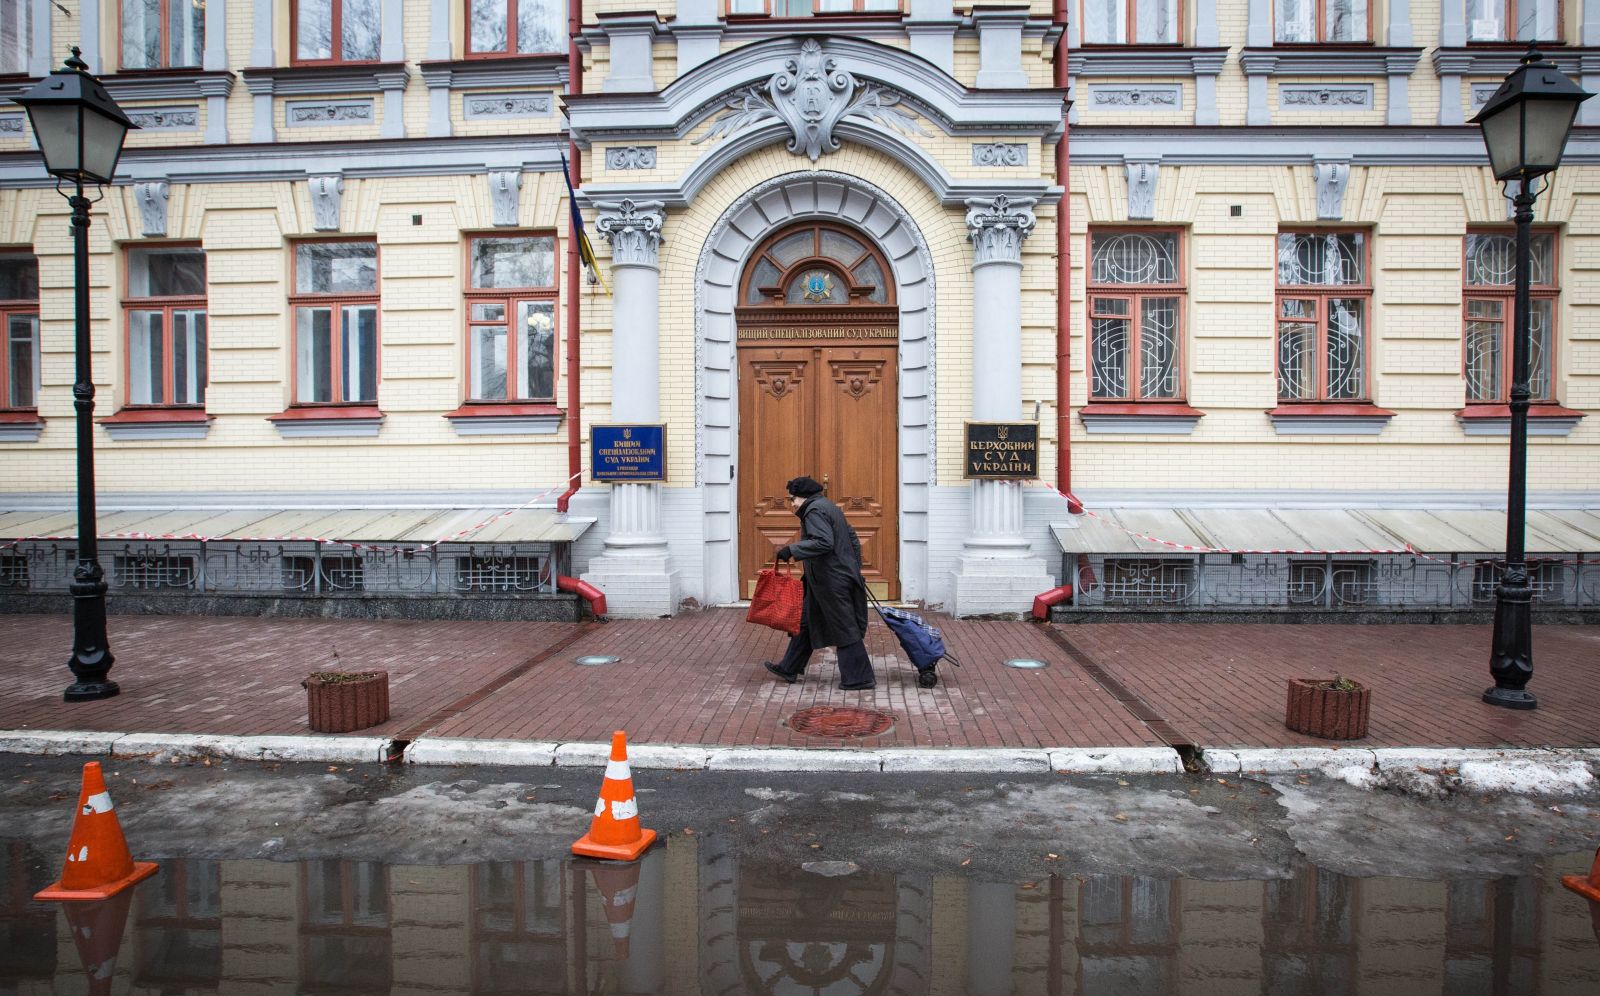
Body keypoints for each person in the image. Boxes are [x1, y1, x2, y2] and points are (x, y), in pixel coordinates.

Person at [762, 476, 875, 690]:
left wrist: (791, 550)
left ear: (802, 497)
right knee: (805, 621)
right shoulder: (827, 506)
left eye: (792, 498)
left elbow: (823, 542)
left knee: (844, 626)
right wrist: (852, 566)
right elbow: (851, 537)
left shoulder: (814, 510)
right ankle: (789, 667)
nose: (791, 503)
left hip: (831, 581)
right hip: (825, 580)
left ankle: (859, 678)